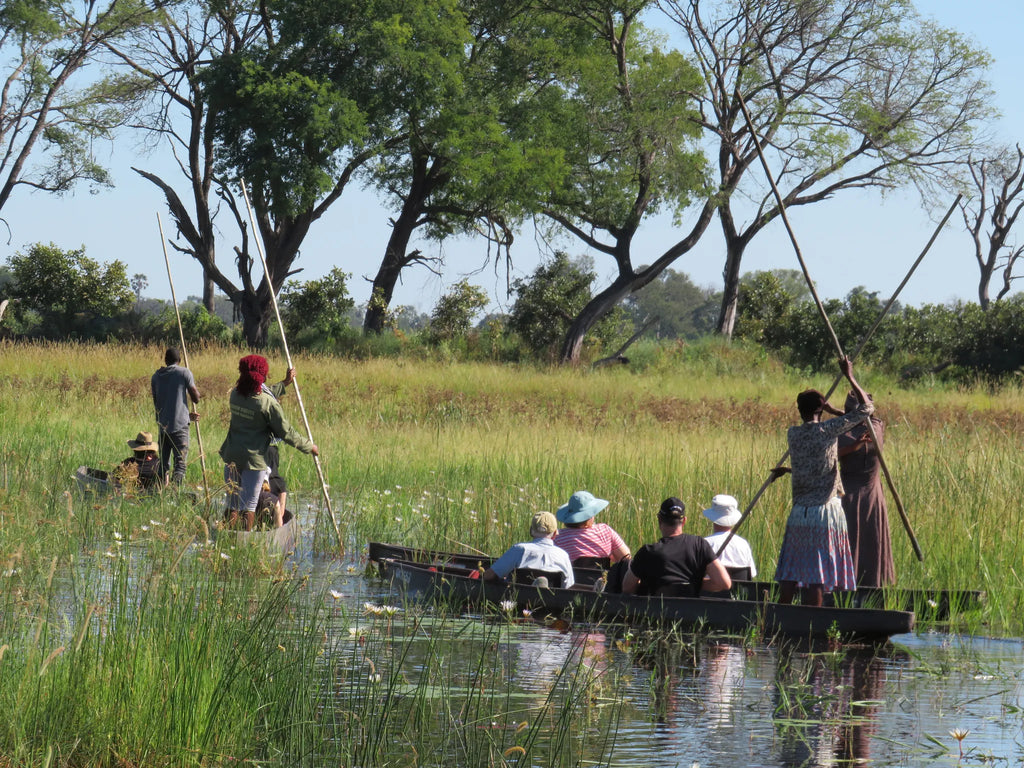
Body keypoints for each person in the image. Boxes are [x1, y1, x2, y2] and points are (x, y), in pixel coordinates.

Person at [775, 358, 873, 606]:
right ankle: (813, 624)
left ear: (799, 410)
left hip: (799, 512)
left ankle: (780, 618)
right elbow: (866, 410)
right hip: (823, 511)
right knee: (816, 574)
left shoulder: (793, 434)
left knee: (791, 570)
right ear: (822, 410)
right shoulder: (828, 430)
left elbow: (810, 463)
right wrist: (849, 376)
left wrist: (824, 410)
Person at [219, 354, 318, 531]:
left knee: (232, 504)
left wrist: (284, 383)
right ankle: (244, 540)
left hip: (232, 456)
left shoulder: (235, 395)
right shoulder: (268, 404)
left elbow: (262, 391)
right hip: (253, 461)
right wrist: (309, 446)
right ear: (262, 376)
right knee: (248, 506)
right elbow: (286, 432)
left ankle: (227, 540)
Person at [838, 391, 895, 587]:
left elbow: (845, 423)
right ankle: (870, 584)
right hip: (872, 495)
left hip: (848, 496)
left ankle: (845, 585)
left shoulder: (842, 434)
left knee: (852, 540)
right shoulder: (877, 428)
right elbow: (859, 417)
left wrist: (850, 377)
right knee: (868, 540)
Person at [622, 497, 731, 596]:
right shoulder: (700, 545)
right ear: (684, 521)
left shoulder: (647, 552)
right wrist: (694, 584)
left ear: (659, 519)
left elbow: (627, 588)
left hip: (657, 614)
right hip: (691, 613)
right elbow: (724, 583)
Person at [483, 511, 575, 588]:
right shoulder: (563, 555)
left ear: (531, 530)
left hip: (517, 601)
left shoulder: (519, 549)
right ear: (555, 534)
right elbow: (568, 586)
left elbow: (489, 575)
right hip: (552, 605)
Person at [150, 347, 200, 486]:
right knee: (180, 464)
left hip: (163, 427)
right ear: (180, 360)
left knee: (163, 464)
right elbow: (196, 398)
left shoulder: (156, 377)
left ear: (165, 360)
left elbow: (159, 403)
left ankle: (160, 492)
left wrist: (187, 415)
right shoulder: (184, 372)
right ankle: (175, 493)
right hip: (180, 428)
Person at [554, 490, 631, 565]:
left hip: (571, 578)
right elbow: (626, 558)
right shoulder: (605, 531)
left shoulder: (557, 537)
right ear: (590, 516)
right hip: (602, 577)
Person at [262, 367, 297, 524]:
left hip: (268, 446)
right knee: (275, 482)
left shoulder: (260, 391)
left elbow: (271, 391)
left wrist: (286, 381)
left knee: (277, 482)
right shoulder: (253, 395)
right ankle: (278, 522)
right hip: (263, 447)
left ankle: (277, 519)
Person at [702, 493, 757, 579]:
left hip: (710, 591)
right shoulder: (743, 544)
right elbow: (750, 574)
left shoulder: (704, 543)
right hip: (740, 591)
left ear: (712, 517)